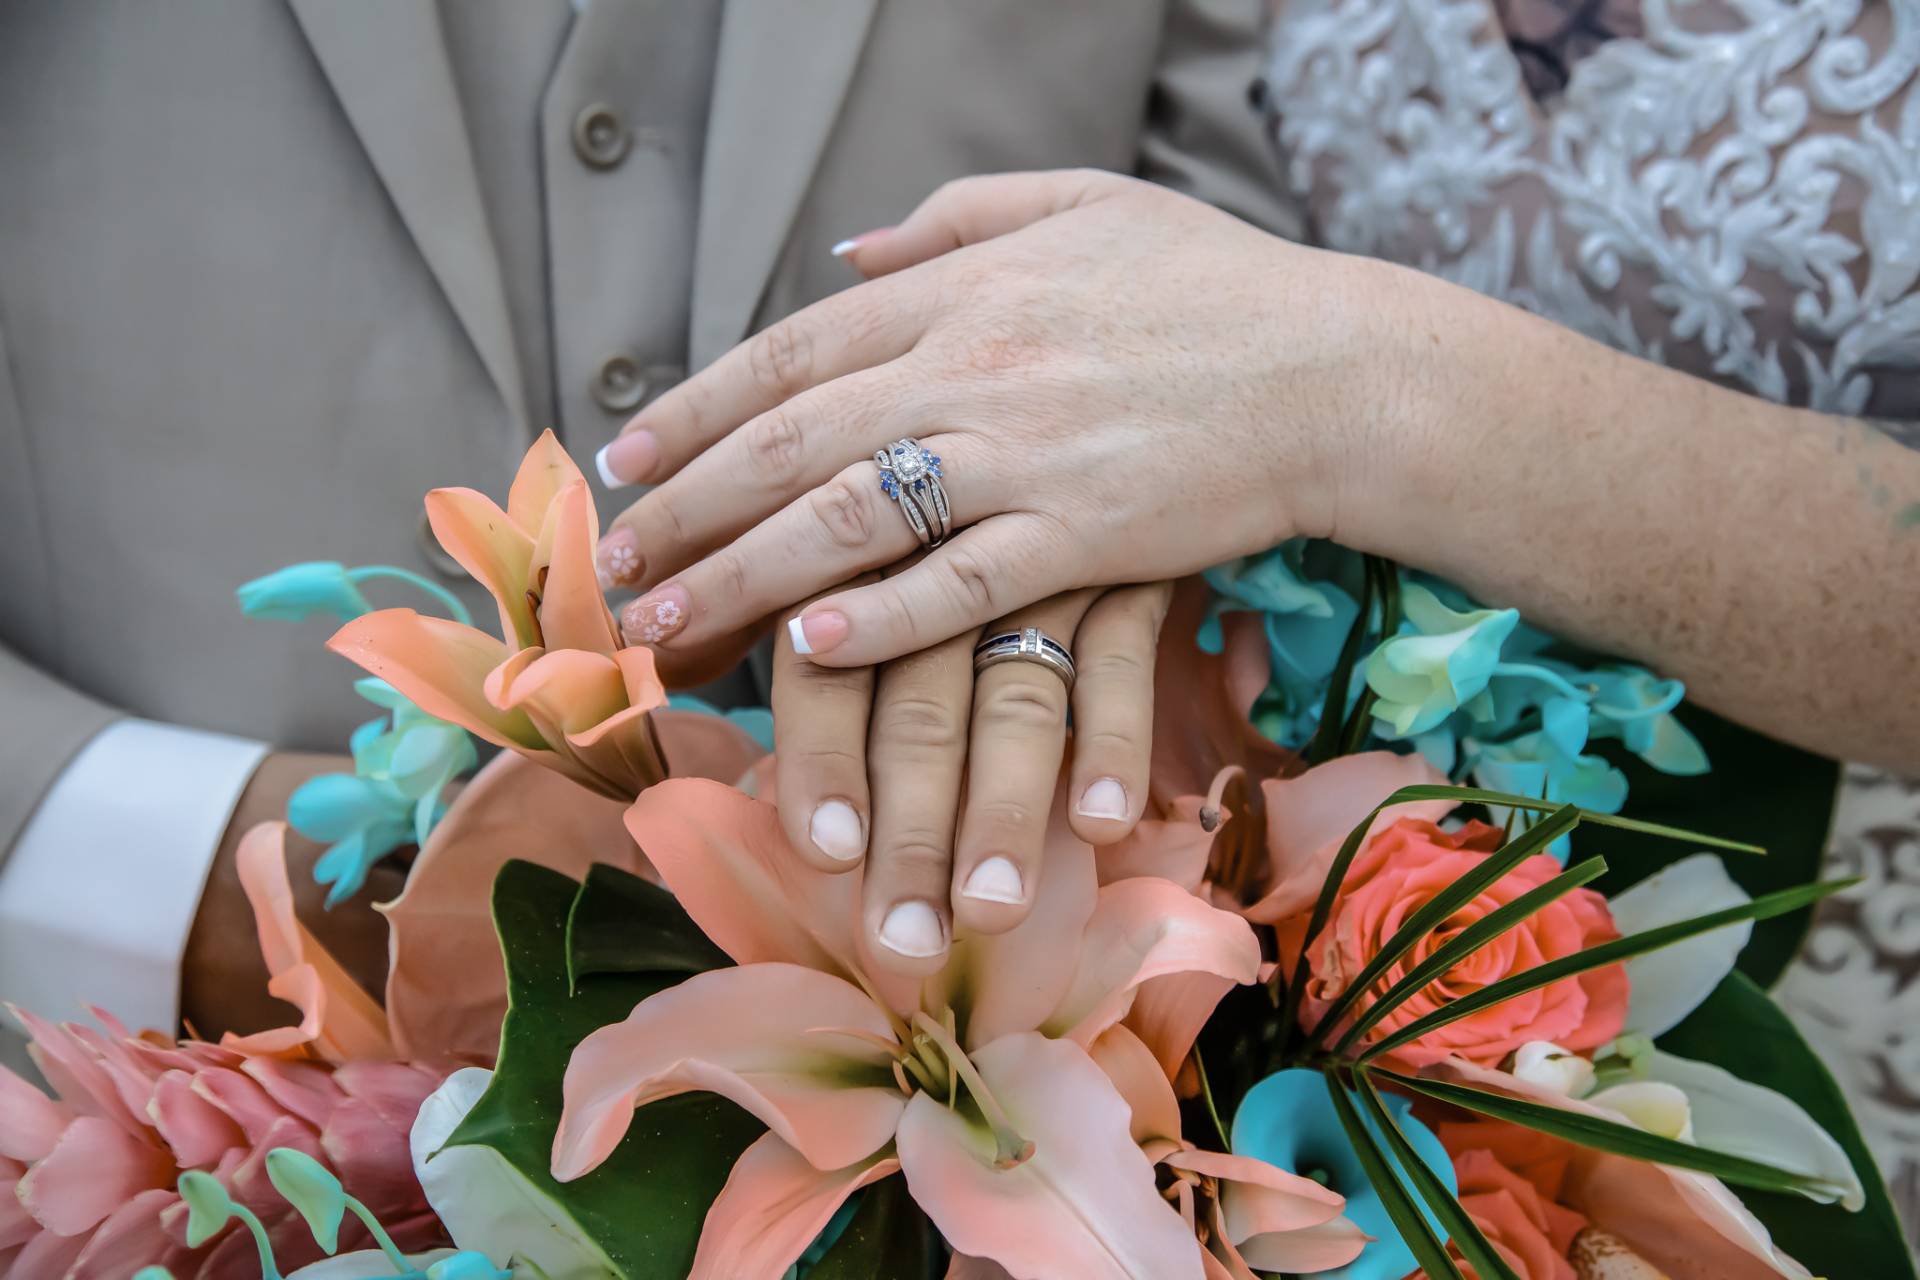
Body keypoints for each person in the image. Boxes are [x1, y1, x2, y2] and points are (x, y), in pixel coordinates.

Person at [0, 0, 1295, 1065]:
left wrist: (1120, 537)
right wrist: (160, 871)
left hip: (1006, 1048)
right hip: (155, 1087)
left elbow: (1230, 328)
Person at [589, 9, 1920, 982]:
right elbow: (1175, 316)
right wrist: (1051, 498)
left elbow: (1245, 348)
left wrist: (1347, 389)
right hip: (1319, 930)